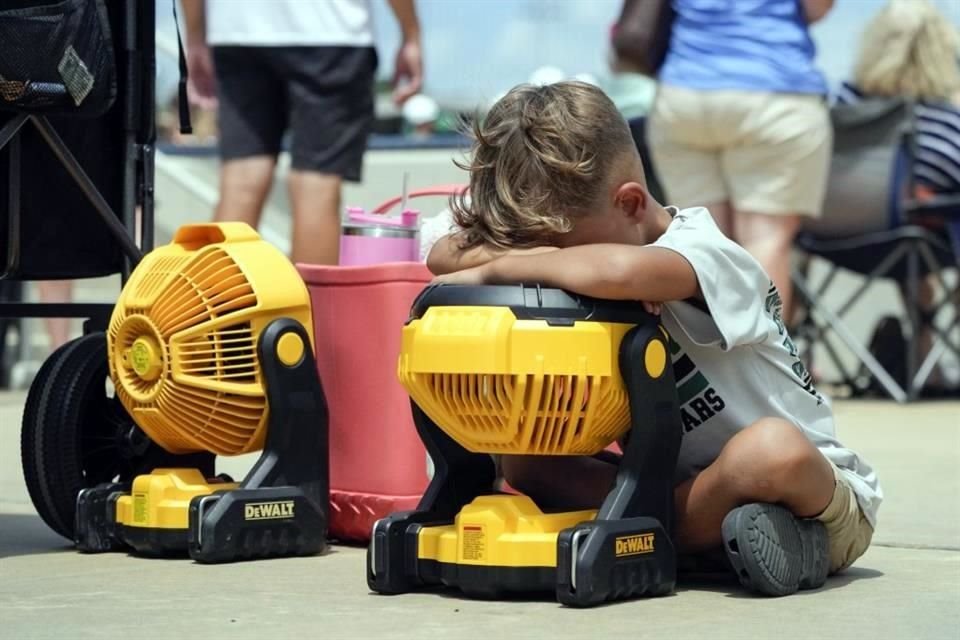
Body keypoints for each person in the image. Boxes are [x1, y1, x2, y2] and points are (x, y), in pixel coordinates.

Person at [426, 81, 881, 597]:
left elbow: (619, 270)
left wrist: (502, 268)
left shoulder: (707, 252)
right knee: (529, 463)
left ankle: (686, 540)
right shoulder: (604, 240)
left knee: (770, 450)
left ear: (631, 204)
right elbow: (444, 252)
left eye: (563, 253)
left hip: (818, 496)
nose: (555, 269)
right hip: (668, 485)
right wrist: (537, 256)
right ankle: (709, 540)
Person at [182, 0, 423, 265]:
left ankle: (215, 304)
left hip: (237, 30)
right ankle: (312, 305)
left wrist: (195, 35)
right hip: (331, 30)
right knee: (316, 185)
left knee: (241, 179)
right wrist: (410, 33)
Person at [647, 0, 835, 319]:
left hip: (684, 93)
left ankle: (704, 366)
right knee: (764, 239)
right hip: (771, 90)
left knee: (702, 245)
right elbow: (817, 8)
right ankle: (761, 365)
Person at [835, 0, 960, 206]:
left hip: (831, 232)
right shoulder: (944, 122)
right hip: (916, 233)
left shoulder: (844, 104)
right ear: (942, 53)